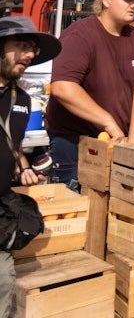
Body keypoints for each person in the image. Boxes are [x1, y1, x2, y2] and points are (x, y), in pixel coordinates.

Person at [45, 0, 134, 190]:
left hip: (114, 142)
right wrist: (108, 121)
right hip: (75, 142)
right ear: (106, 0)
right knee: (74, 208)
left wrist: (133, 144)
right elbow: (62, 87)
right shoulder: (80, 35)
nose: (133, 5)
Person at [0, 17, 62, 317]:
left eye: (33, 49)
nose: (29, 55)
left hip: (0, 212)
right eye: (22, 46)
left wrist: (22, 168)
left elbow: (12, 146)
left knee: (3, 285)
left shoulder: (22, 99)